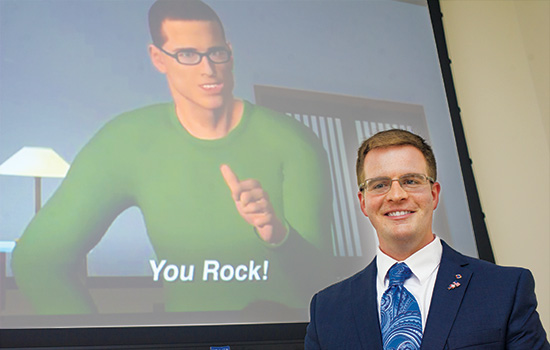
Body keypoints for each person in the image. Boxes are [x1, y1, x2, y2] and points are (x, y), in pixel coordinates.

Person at [11, 0, 332, 317]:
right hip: (185, 337)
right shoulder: (127, 139)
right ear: (158, 58)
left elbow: (322, 283)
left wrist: (277, 234)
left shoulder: (292, 140)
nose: (209, 68)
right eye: (188, 55)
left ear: (230, 53)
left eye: (216, 53)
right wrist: (93, 338)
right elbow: (36, 260)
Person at [305, 129, 549, 349]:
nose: (397, 195)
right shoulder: (326, 310)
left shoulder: (505, 289)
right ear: (363, 203)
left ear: (433, 195)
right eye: (379, 185)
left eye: (410, 181)